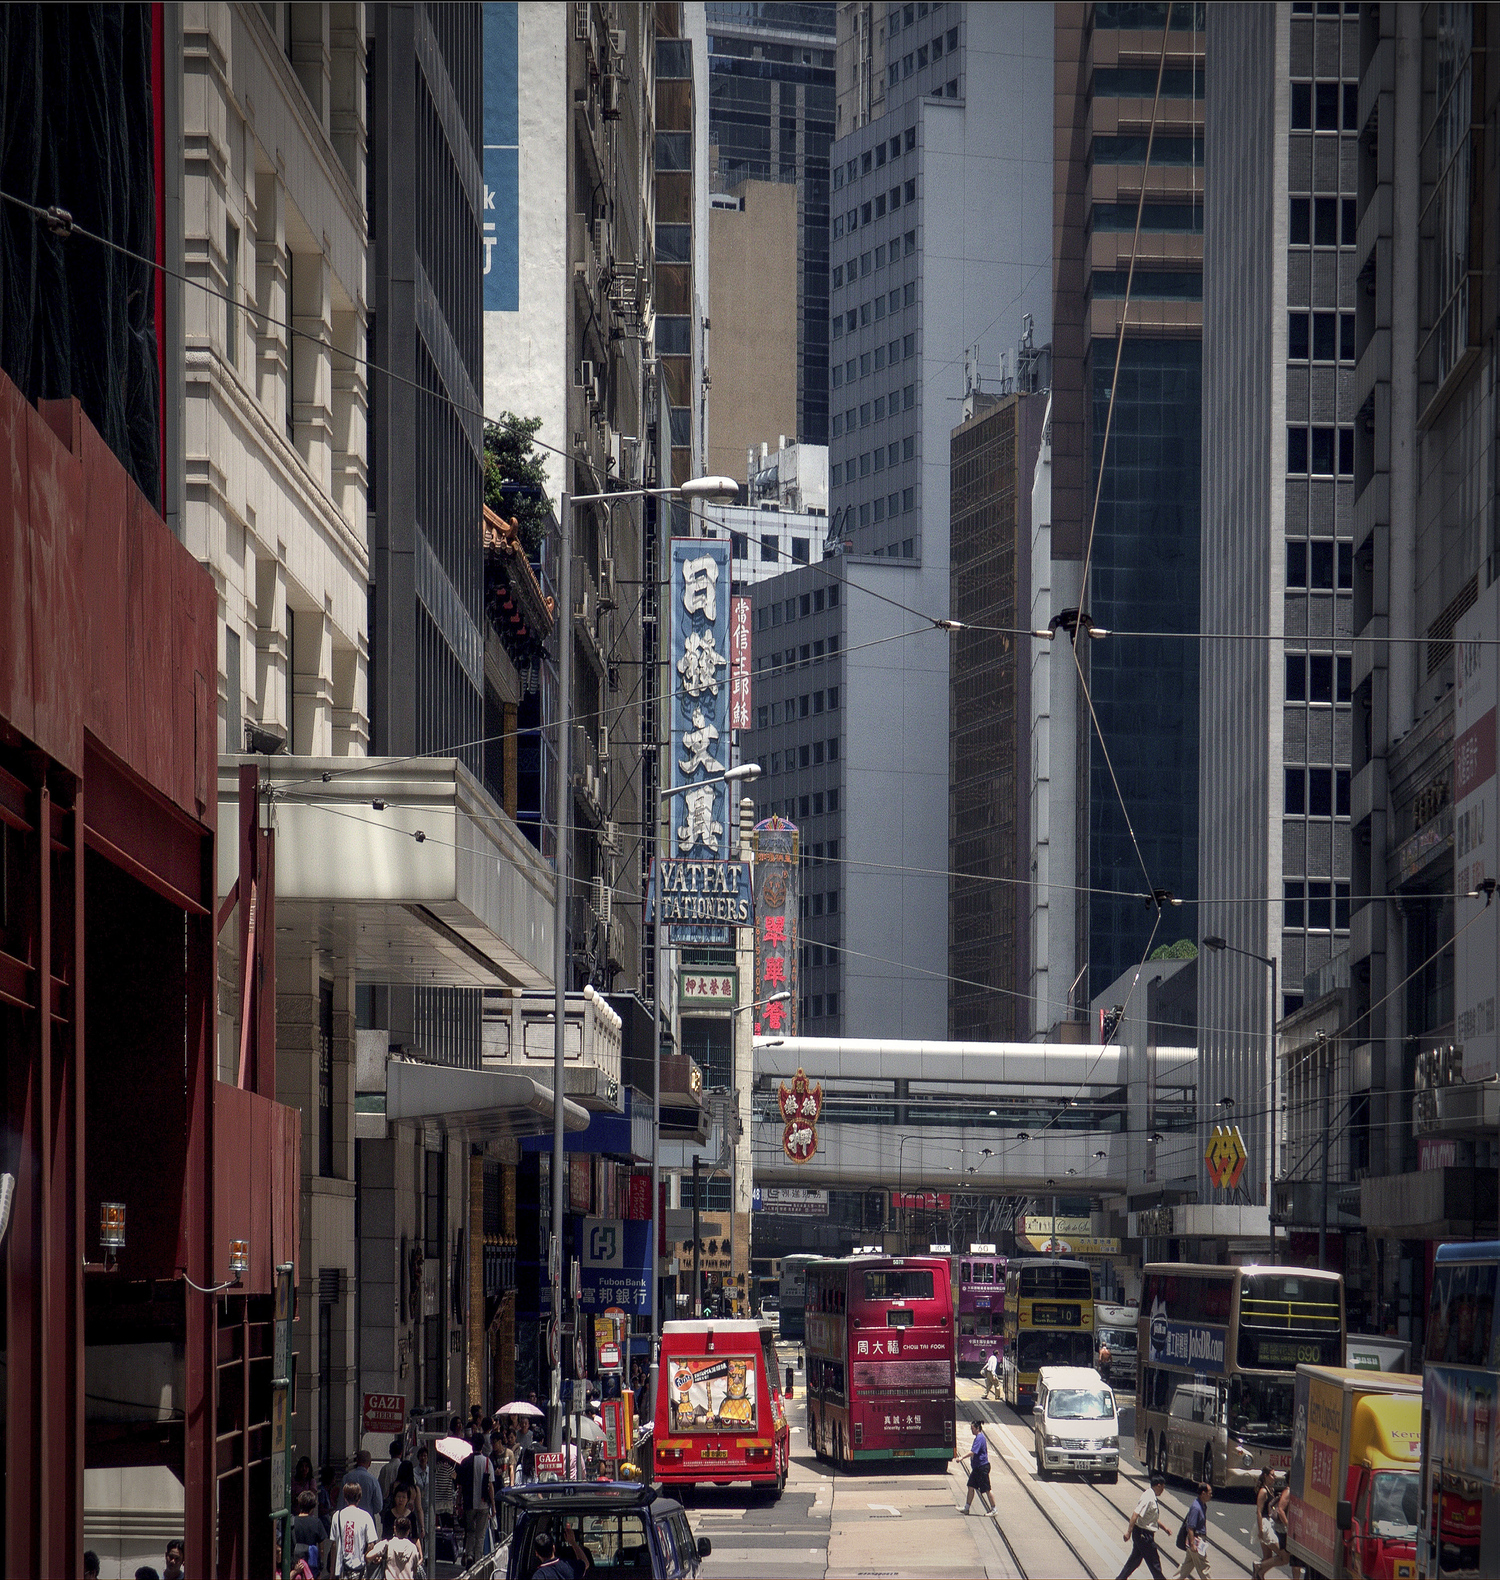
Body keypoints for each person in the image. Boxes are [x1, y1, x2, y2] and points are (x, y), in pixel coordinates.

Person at [1117, 1472, 1168, 1580]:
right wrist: (1128, 1532)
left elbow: (1152, 1518)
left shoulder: (1151, 1495)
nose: (1163, 1490)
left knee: (1134, 1561)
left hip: (1142, 1534)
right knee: (1155, 1564)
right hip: (1143, 1535)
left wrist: (1165, 1528)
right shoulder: (1148, 1498)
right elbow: (1135, 1514)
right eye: (1163, 1488)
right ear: (1158, 1485)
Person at [331, 1480, 380, 1577]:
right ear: (359, 1498)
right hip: (360, 1569)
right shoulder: (365, 1516)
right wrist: (366, 1557)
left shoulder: (337, 1516)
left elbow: (334, 1545)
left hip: (341, 1570)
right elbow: (371, 1544)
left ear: (345, 1497)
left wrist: (332, 1571)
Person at [460, 1432, 494, 1566]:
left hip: (468, 1503)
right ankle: (478, 1560)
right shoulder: (487, 1461)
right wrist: (494, 1506)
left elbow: (461, 1485)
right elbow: (490, 1485)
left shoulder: (465, 1462)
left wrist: (458, 1503)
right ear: (482, 1445)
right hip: (484, 1503)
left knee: (470, 1532)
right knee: (480, 1535)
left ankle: (469, 1554)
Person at [366, 1514, 422, 1580]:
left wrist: (379, 1557)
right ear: (408, 1531)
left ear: (395, 1529)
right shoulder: (413, 1548)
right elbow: (415, 1570)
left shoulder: (387, 1544)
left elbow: (368, 1557)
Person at [1176, 1481, 1212, 1580]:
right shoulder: (1196, 1508)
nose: (1211, 1495)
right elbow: (1190, 1527)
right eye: (1209, 1493)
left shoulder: (1202, 1505)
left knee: (1186, 1566)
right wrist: (1192, 1544)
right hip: (1196, 1540)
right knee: (1204, 1567)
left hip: (1197, 1540)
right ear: (1203, 1493)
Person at [959, 1419, 995, 1516]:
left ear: (977, 1428)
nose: (971, 1430)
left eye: (972, 1428)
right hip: (977, 1468)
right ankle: (966, 1508)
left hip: (982, 1467)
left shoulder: (980, 1438)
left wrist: (962, 1457)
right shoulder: (978, 1437)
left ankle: (994, 1509)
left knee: (987, 1489)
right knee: (971, 1486)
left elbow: (973, 1452)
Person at [290, 1488, 330, 1576]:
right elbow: (322, 1549)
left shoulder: (292, 1521)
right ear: (313, 1506)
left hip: (297, 1565)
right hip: (312, 1566)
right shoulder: (317, 1522)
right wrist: (320, 1565)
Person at [1250, 1468, 1278, 1580]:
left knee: (1267, 1557)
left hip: (1270, 1523)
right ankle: (1258, 1567)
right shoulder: (1263, 1491)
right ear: (1265, 1476)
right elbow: (1259, 1511)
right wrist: (1261, 1530)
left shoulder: (1271, 1489)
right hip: (1265, 1525)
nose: (1274, 1477)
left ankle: (1257, 1575)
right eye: (1272, 1475)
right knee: (1282, 1555)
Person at [349, 1450, 383, 1521]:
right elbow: (378, 1506)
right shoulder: (373, 1481)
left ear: (357, 1461)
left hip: (349, 1520)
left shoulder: (346, 1478)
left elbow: (340, 1504)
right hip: (367, 1518)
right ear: (369, 1463)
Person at [379, 1436, 405, 1502]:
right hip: (402, 1503)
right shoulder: (404, 1468)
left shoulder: (384, 1468)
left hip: (387, 1504)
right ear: (401, 1452)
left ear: (390, 1452)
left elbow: (380, 1487)